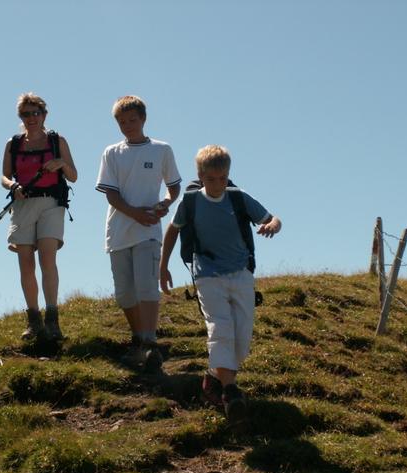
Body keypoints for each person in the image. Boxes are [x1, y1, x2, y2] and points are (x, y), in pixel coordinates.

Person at [159, 145, 281, 423]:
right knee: (220, 328)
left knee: (243, 340)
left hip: (240, 273)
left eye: (223, 178)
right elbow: (173, 231)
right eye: (211, 179)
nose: (217, 184)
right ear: (201, 176)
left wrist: (272, 225)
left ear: (228, 175)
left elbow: (273, 218)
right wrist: (163, 266)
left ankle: (214, 377)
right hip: (207, 273)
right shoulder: (190, 202)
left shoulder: (238, 198)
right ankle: (231, 393)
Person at [96, 95, 182, 372]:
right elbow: (110, 193)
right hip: (119, 231)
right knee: (124, 293)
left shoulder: (161, 149)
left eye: (132, 120)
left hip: (149, 232)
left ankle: (149, 341)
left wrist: (165, 204)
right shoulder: (111, 152)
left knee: (147, 284)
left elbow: (174, 186)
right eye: (122, 121)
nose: (127, 125)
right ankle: (138, 337)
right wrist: (134, 213)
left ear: (143, 119)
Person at [1, 92, 78, 343]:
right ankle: (33, 320)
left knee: (47, 259)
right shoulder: (13, 144)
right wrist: (14, 187)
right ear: (20, 117)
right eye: (26, 114)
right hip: (23, 205)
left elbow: (74, 175)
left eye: (35, 113)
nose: (31, 118)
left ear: (44, 114)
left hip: (51, 203)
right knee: (25, 262)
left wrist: (60, 164)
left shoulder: (57, 141)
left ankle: (52, 319)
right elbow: (4, 177)